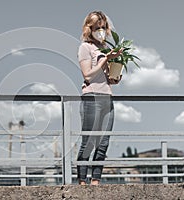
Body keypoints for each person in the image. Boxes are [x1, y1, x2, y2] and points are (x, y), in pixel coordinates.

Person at [77, 11, 122, 185]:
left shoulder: (104, 48)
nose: (101, 31)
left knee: (103, 142)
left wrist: (115, 76)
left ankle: (96, 180)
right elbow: (88, 75)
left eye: (103, 27)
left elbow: (107, 77)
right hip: (91, 96)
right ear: (89, 28)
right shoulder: (85, 47)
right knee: (88, 140)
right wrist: (105, 60)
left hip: (107, 96)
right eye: (97, 28)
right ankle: (82, 181)